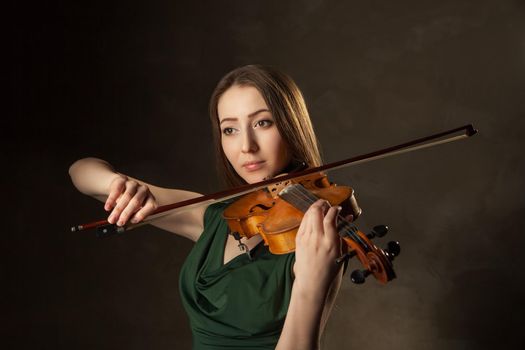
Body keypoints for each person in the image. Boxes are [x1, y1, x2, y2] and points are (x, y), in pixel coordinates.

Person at [69, 65, 347, 350]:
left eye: (263, 123)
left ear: (291, 125)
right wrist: (118, 184)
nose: (246, 146)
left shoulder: (319, 237)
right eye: (230, 129)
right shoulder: (215, 216)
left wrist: (311, 283)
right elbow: (81, 171)